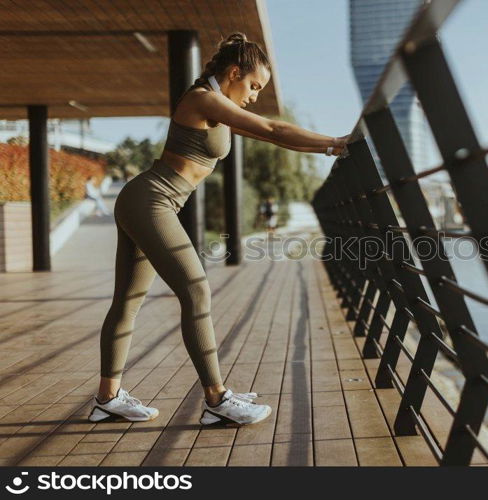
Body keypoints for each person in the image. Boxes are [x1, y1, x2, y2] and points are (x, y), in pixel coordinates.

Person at [89, 32, 349, 426]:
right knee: (195, 289)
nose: (255, 95)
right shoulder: (202, 100)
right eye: (253, 85)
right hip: (151, 201)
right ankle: (217, 399)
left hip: (149, 201)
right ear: (233, 73)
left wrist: (330, 147)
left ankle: (107, 398)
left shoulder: (218, 106)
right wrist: (336, 142)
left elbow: (274, 137)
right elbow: (273, 129)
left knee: (128, 300)